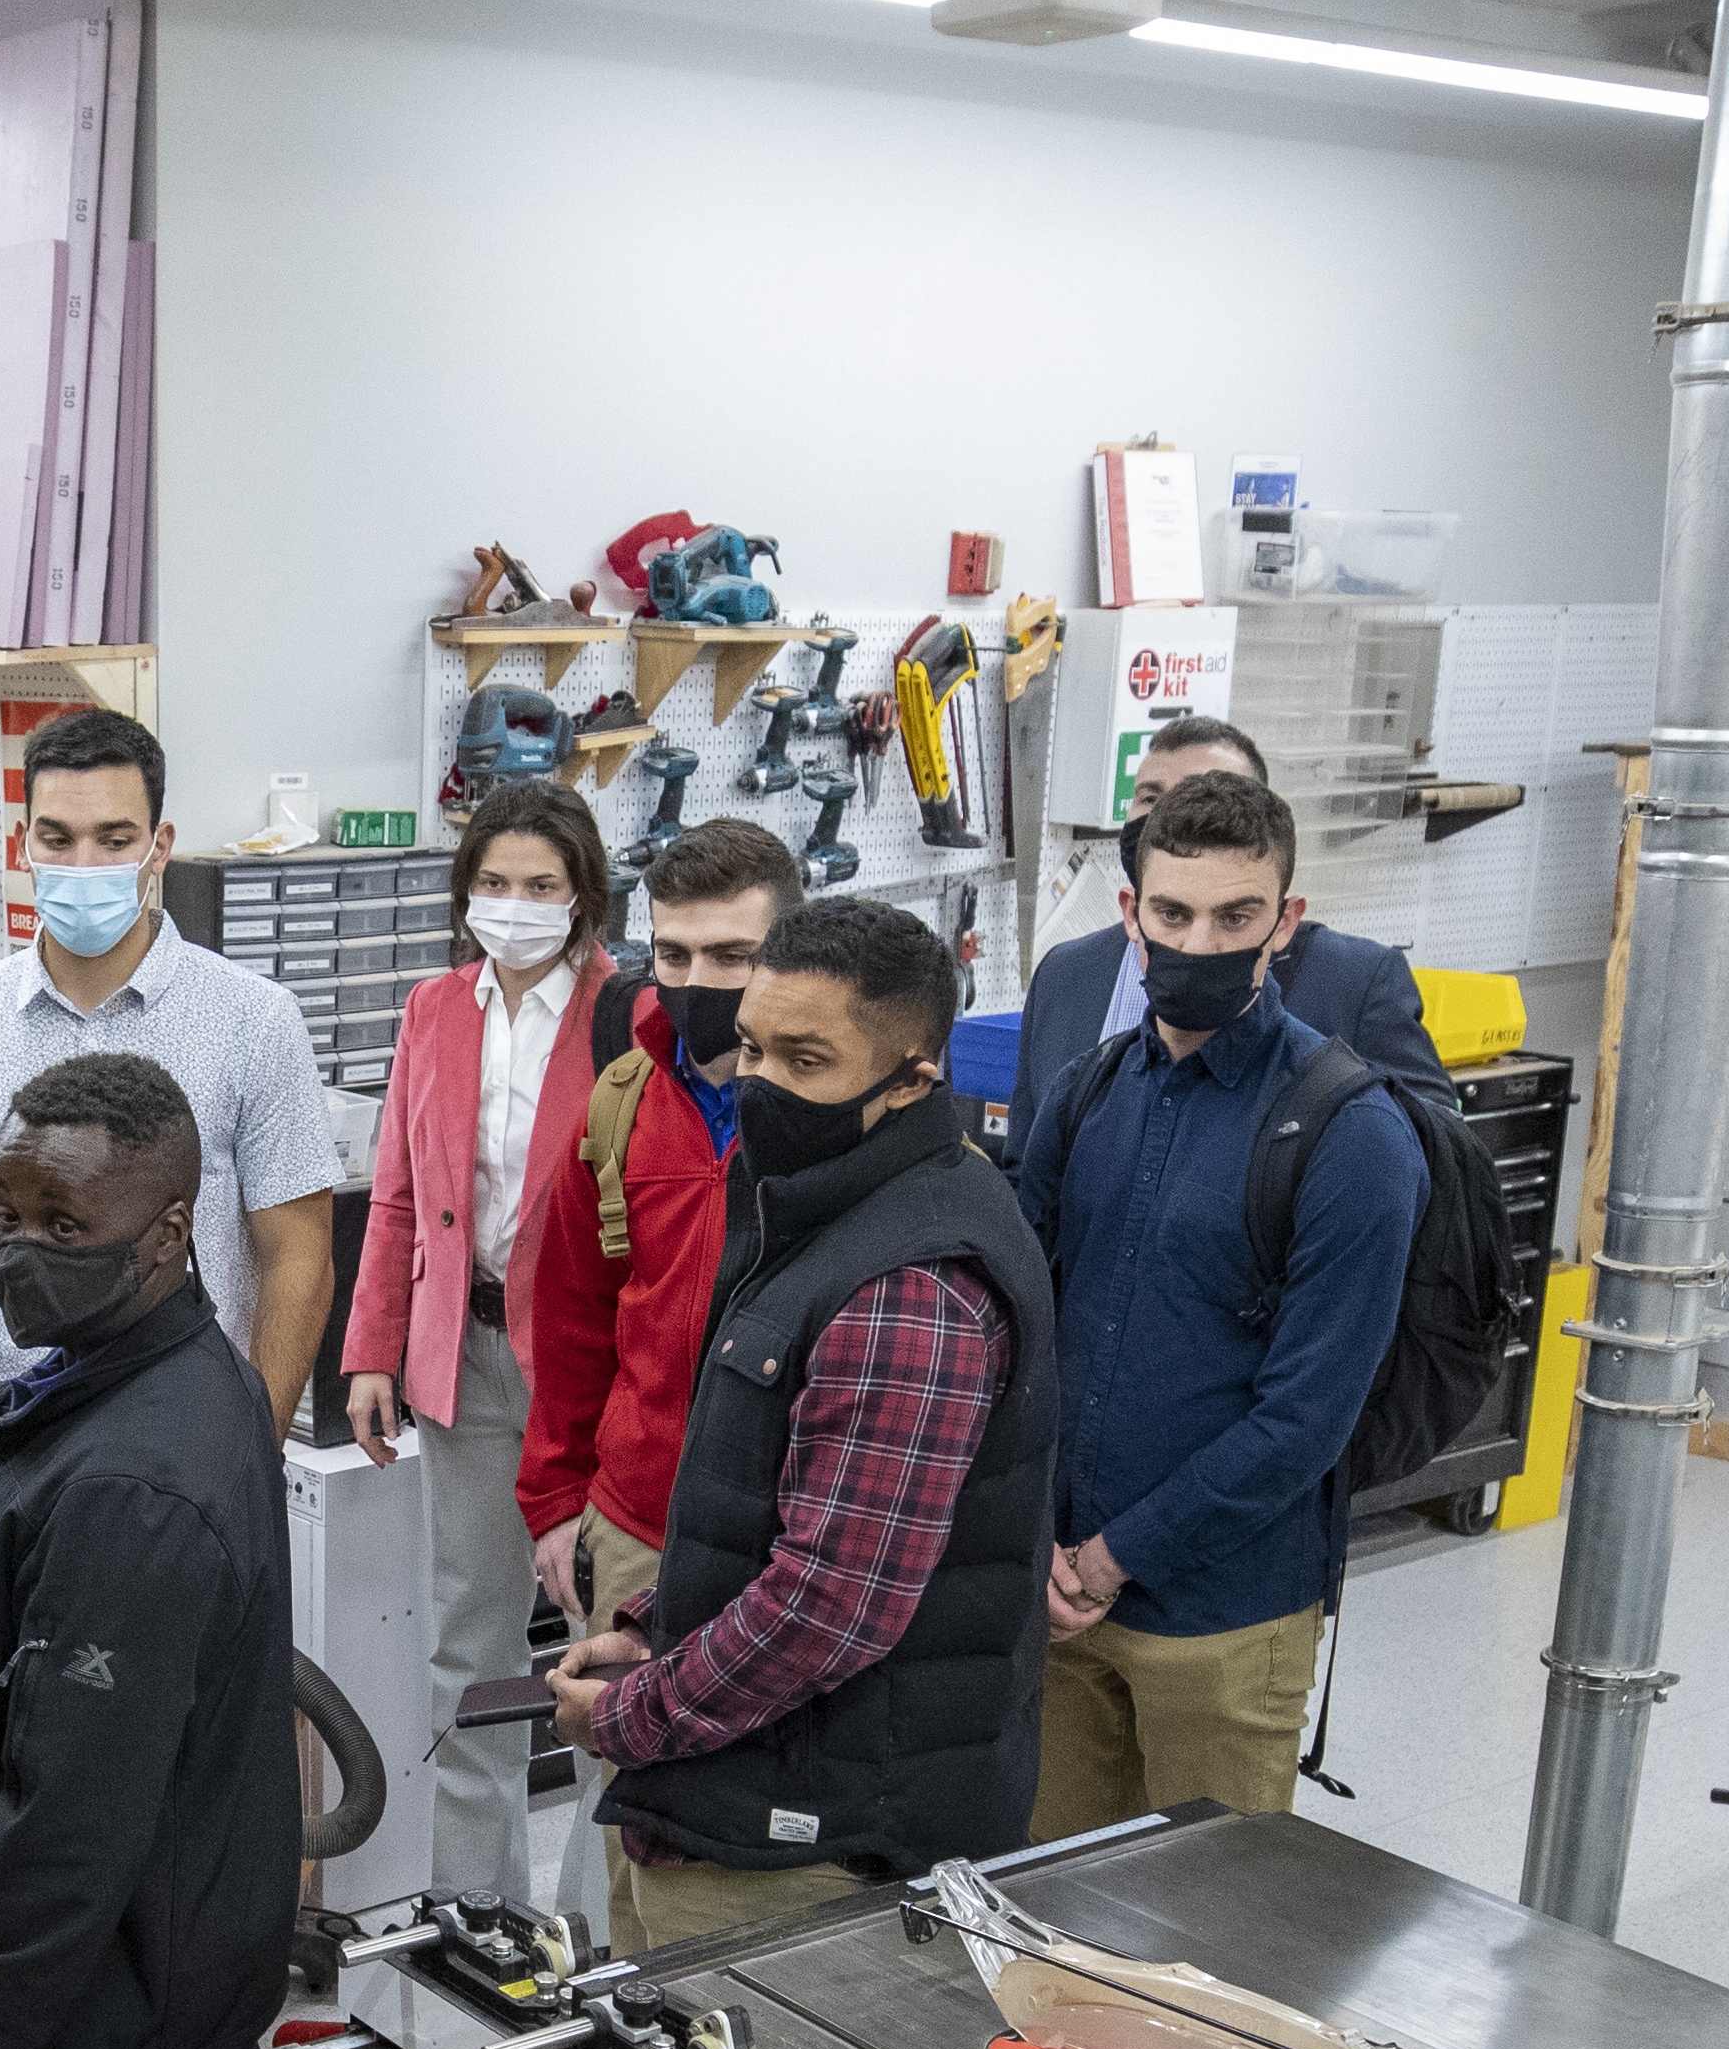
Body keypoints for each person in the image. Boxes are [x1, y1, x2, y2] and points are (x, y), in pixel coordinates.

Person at [547, 893, 1061, 1952]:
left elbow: (829, 1604)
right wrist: (658, 1624)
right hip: (752, 1788)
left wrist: (631, 1718)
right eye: (753, 1046)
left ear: (914, 1076)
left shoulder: (908, 1283)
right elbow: (780, 1498)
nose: (764, 1084)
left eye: (809, 1060)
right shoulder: (828, 1199)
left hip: (807, 1845)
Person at [0, 1054, 299, 2049]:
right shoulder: (146, 1377)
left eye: (66, 1225)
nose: (14, 1248)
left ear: (168, 1231)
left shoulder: (128, 1493)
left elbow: (69, 1837)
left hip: (85, 2036)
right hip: (82, 1999)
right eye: (6, 1212)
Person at [1013, 769, 1431, 1837]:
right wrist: (1038, 1548)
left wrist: (1111, 1558)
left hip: (1223, 1623)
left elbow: (1305, 1419)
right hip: (1057, 1607)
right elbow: (1019, 1323)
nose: (1199, 943)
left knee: (1203, 1959)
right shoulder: (1090, 1090)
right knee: (1050, 1924)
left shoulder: (1351, 1135)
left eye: (1235, 915)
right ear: (1131, 916)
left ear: (1285, 921)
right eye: (1174, 913)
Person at [0, 708, 343, 1534]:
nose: (85, 864)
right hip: (1, 1441)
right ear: (23, 843)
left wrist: (251, 1448)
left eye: (114, 838)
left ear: (159, 846)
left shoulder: (254, 1023)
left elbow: (299, 1258)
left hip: (184, 1453)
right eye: (58, 839)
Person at [336, 788, 611, 1905]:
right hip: (466, 1360)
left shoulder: (626, 1014)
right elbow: (397, 1197)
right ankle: (475, 1920)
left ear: (584, 896)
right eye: (494, 884)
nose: (515, 906)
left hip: (589, 1381)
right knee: (469, 1649)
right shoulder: (434, 1009)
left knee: (608, 1653)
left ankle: (600, 1934)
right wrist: (373, 1350)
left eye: (542, 886)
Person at [510, 816, 798, 1650]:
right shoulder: (619, 1106)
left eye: (732, 956)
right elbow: (571, 1320)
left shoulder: (836, 1117)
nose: (697, 981)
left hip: (789, 1538)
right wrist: (560, 1507)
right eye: (674, 955)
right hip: (637, 1525)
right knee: (621, 1771)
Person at [1004, 716, 1439, 1161]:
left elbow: (1432, 1150)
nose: (1172, 817)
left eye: (1203, 796)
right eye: (1150, 797)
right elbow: (1025, 1163)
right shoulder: (1066, 973)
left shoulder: (1352, 979)